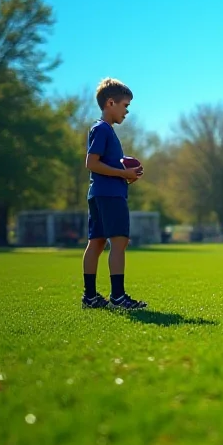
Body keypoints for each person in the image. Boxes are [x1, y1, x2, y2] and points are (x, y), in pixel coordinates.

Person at [81, 78, 147, 310]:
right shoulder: (102, 129)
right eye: (125, 105)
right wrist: (122, 173)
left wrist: (127, 174)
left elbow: (103, 165)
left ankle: (90, 297)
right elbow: (91, 163)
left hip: (99, 194)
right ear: (111, 103)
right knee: (119, 242)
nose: (127, 111)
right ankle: (118, 297)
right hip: (109, 195)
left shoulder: (104, 131)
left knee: (96, 244)